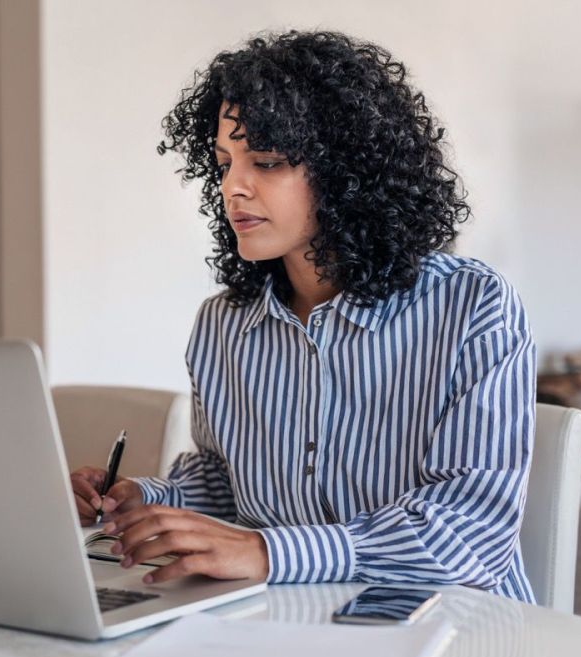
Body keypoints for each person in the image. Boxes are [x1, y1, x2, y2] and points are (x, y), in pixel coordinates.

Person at [70, 29, 536, 602]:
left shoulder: (472, 307)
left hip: (453, 625)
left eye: (266, 162)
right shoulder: (224, 324)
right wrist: (143, 500)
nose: (233, 187)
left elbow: (472, 536)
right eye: (223, 163)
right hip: (289, 615)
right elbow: (224, 481)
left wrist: (267, 552)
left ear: (348, 172)